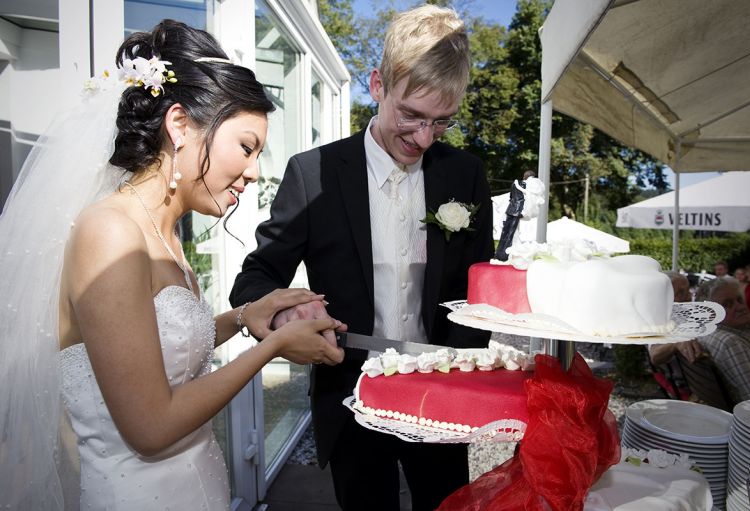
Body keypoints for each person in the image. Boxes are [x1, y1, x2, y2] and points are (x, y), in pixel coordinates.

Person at [0, 20, 345, 510]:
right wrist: (272, 348)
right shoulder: (109, 231)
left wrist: (247, 315)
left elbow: (162, 347)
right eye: (246, 147)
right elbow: (151, 428)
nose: (253, 172)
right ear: (179, 124)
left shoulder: (162, 231)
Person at [229, 5, 493, 510]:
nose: (423, 138)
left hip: (441, 399)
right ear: (377, 85)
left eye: (440, 122)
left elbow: (476, 288)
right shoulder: (313, 173)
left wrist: (459, 374)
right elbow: (256, 277)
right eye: (411, 115)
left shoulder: (465, 173)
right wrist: (285, 316)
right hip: (351, 398)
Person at [695, 277, 750, 403]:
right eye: (727, 304)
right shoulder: (732, 343)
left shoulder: (707, 333)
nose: (740, 307)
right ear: (710, 315)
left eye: (740, 300)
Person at [647, 271, 702, 399]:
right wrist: (676, 342)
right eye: (680, 293)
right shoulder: (658, 320)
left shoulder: (689, 315)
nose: (688, 296)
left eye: (688, 290)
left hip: (696, 384)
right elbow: (654, 355)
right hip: (687, 388)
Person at [494, 170, 536, 260]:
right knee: (511, 233)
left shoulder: (514, 184)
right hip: (517, 211)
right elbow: (529, 200)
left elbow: (511, 197)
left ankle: (498, 253)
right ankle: (504, 255)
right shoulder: (528, 186)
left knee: (505, 232)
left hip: (510, 209)